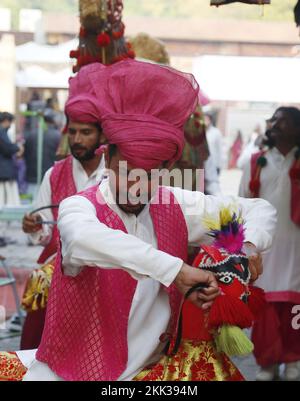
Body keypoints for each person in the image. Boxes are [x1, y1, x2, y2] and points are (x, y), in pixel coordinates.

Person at [2, 59, 276, 382]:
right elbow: (85, 240)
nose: (136, 186)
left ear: (163, 170)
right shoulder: (80, 208)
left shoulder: (171, 202)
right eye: (127, 171)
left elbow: (260, 210)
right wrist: (177, 272)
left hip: (152, 374)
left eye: (149, 175)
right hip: (69, 374)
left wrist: (247, 247)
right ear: (108, 159)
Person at [20, 115, 106, 350]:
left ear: (102, 135)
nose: (77, 139)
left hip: (106, 267)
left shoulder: (116, 174)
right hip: (59, 266)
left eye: (86, 132)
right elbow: (45, 231)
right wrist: (35, 225)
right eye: (73, 132)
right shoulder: (54, 174)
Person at [239, 106, 300, 381]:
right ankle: (267, 362)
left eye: (281, 120)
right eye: (272, 119)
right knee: (265, 306)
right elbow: (240, 206)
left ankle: (293, 361)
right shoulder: (255, 162)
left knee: (294, 307)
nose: (273, 124)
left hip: (296, 249)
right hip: (266, 250)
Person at [24, 110, 61, 198]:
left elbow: (26, 154)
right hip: (51, 175)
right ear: (53, 120)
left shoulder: (31, 134)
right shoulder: (58, 136)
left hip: (33, 175)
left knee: (33, 205)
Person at [0, 112, 23, 246]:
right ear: (6, 121)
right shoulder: (1, 131)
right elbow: (8, 148)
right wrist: (17, 147)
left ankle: (2, 234)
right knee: (4, 204)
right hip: (3, 174)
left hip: (3, 173)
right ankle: (1, 235)